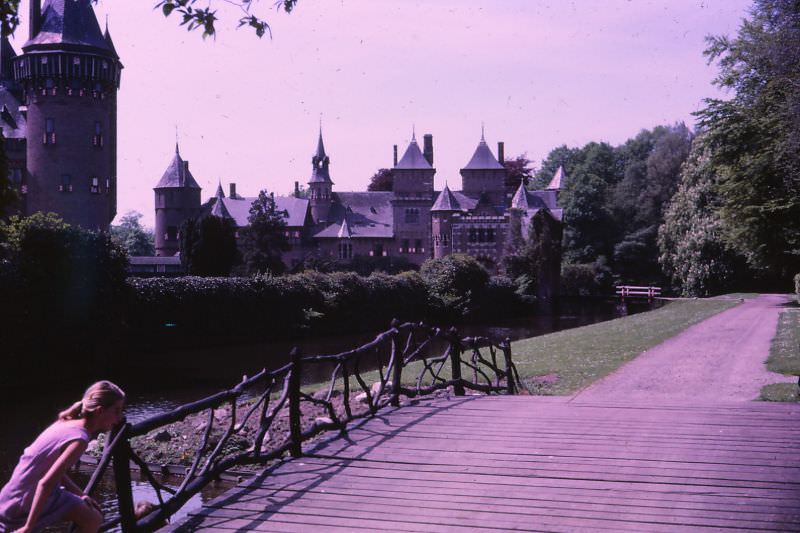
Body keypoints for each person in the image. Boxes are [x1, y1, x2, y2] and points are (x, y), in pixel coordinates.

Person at [0, 381, 125, 533]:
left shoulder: (65, 422)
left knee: (92, 517)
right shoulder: (79, 439)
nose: (119, 418)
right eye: (116, 411)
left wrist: (81, 494)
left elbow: (52, 472)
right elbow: (46, 483)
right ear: (100, 411)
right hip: (27, 499)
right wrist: (29, 527)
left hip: (14, 493)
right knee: (93, 519)